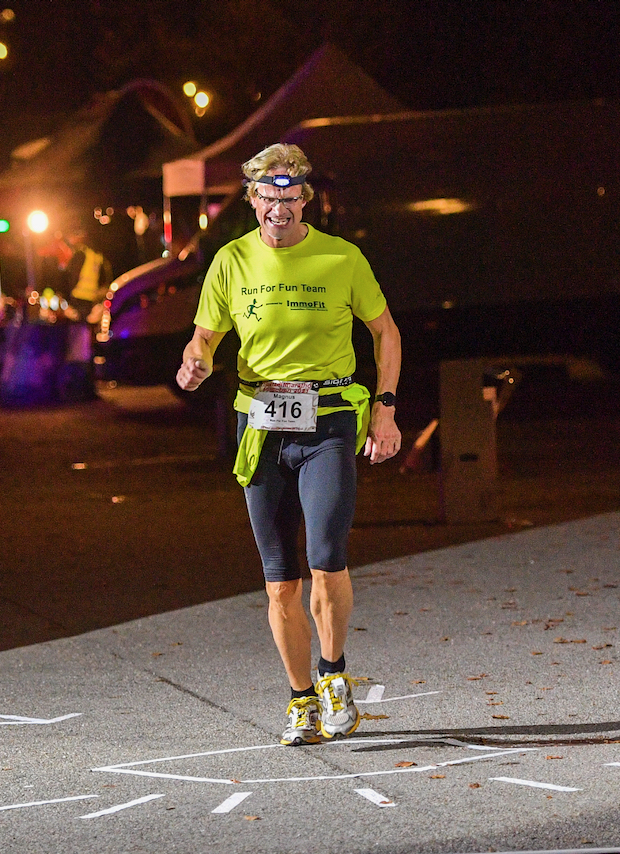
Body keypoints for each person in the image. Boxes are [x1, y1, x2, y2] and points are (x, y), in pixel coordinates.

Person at [176, 143, 402, 746]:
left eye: (290, 196)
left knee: (326, 558)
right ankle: (301, 699)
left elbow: (385, 332)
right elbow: (204, 336)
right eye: (267, 196)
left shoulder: (340, 257)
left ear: (306, 199)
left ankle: (333, 678)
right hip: (262, 425)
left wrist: (384, 410)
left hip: (327, 420)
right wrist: (194, 362)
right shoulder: (231, 260)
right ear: (252, 200)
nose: (279, 206)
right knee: (280, 580)